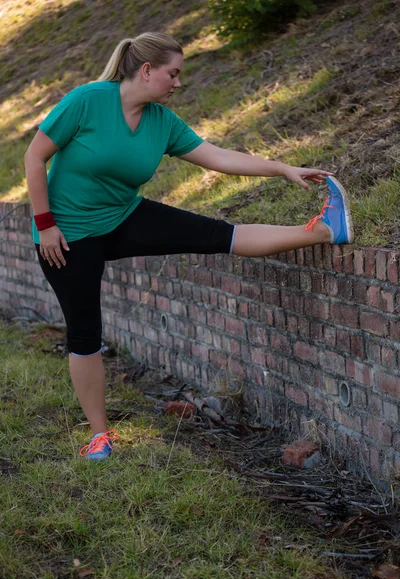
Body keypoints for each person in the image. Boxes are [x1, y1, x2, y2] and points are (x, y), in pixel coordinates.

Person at [24, 32, 354, 461]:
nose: (178, 83)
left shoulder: (161, 122)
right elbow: (34, 157)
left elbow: (219, 157)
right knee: (86, 333)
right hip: (65, 237)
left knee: (216, 234)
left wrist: (283, 169)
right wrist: (46, 225)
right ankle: (100, 435)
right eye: (172, 73)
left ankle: (325, 230)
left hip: (123, 216)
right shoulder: (87, 101)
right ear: (146, 70)